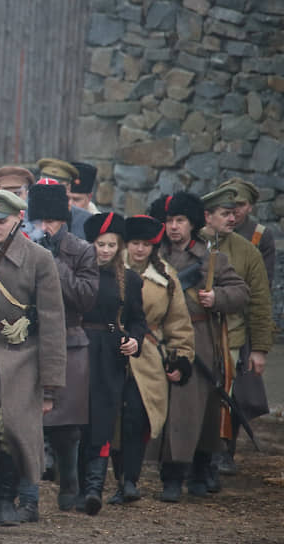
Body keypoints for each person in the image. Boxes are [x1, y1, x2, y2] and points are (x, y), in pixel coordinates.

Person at [0, 190, 67, 531]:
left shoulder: (39, 258)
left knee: (13, 430)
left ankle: (7, 498)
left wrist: (50, 385)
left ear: (18, 220)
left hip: (22, 355)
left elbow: (52, 321)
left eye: (1, 222)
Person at [148, 191, 248, 503]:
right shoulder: (154, 255)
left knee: (196, 409)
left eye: (180, 221)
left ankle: (197, 470)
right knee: (165, 406)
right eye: (168, 221)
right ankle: (170, 475)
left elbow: (241, 292)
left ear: (192, 223)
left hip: (199, 337)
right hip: (161, 336)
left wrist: (216, 298)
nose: (174, 227)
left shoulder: (209, 258)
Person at [18, 178, 98, 521]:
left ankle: (69, 482)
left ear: (63, 219)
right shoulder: (23, 247)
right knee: (25, 424)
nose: (44, 228)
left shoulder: (81, 250)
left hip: (70, 340)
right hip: (30, 340)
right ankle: (28, 495)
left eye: (50, 221)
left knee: (67, 428)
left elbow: (85, 297)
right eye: (39, 221)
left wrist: (55, 263)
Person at [109, 215, 194, 505]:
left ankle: (130, 480)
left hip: (147, 356)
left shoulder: (167, 277)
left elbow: (179, 323)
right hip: (109, 351)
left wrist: (181, 358)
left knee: (136, 416)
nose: (140, 249)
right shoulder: (109, 266)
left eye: (146, 244)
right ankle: (115, 479)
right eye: (135, 243)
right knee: (113, 418)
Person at [198, 186, 273, 478]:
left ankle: (222, 454)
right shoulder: (193, 246)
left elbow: (260, 303)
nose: (232, 219)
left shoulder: (247, 252)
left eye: (234, 213)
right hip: (198, 336)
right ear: (208, 216)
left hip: (233, 338)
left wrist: (259, 349)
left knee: (227, 397)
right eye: (225, 214)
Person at [78, 212, 148, 515]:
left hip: (110, 355)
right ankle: (78, 486)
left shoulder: (129, 281)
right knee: (78, 421)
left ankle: (94, 488)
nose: (105, 250)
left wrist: (135, 341)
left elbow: (137, 320)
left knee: (103, 419)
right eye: (100, 244)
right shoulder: (79, 274)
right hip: (79, 351)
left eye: (111, 245)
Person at [219, 177, 276, 285]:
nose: (235, 209)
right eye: (230, 204)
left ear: (250, 207)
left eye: (241, 204)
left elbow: (265, 281)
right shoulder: (210, 231)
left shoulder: (261, 235)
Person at [35, 158, 91, 240]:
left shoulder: (84, 220)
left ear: (68, 189)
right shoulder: (24, 215)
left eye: (56, 188)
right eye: (44, 187)